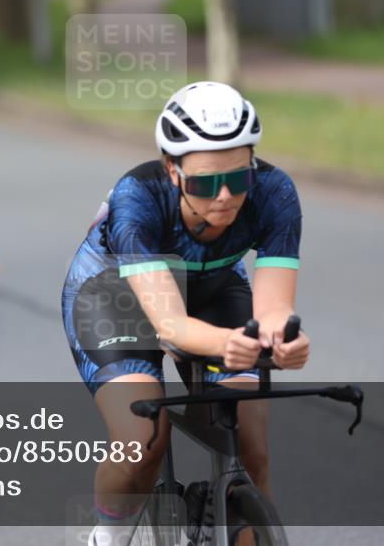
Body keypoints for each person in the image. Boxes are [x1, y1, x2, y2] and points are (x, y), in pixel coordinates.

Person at [61, 82, 310, 545]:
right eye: (204, 183)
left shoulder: (275, 193)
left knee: (251, 446)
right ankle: (107, 539)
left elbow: (274, 309)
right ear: (173, 171)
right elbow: (170, 327)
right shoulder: (138, 197)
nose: (224, 198)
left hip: (212, 286)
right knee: (141, 440)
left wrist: (283, 342)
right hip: (117, 295)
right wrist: (227, 345)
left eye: (238, 179)